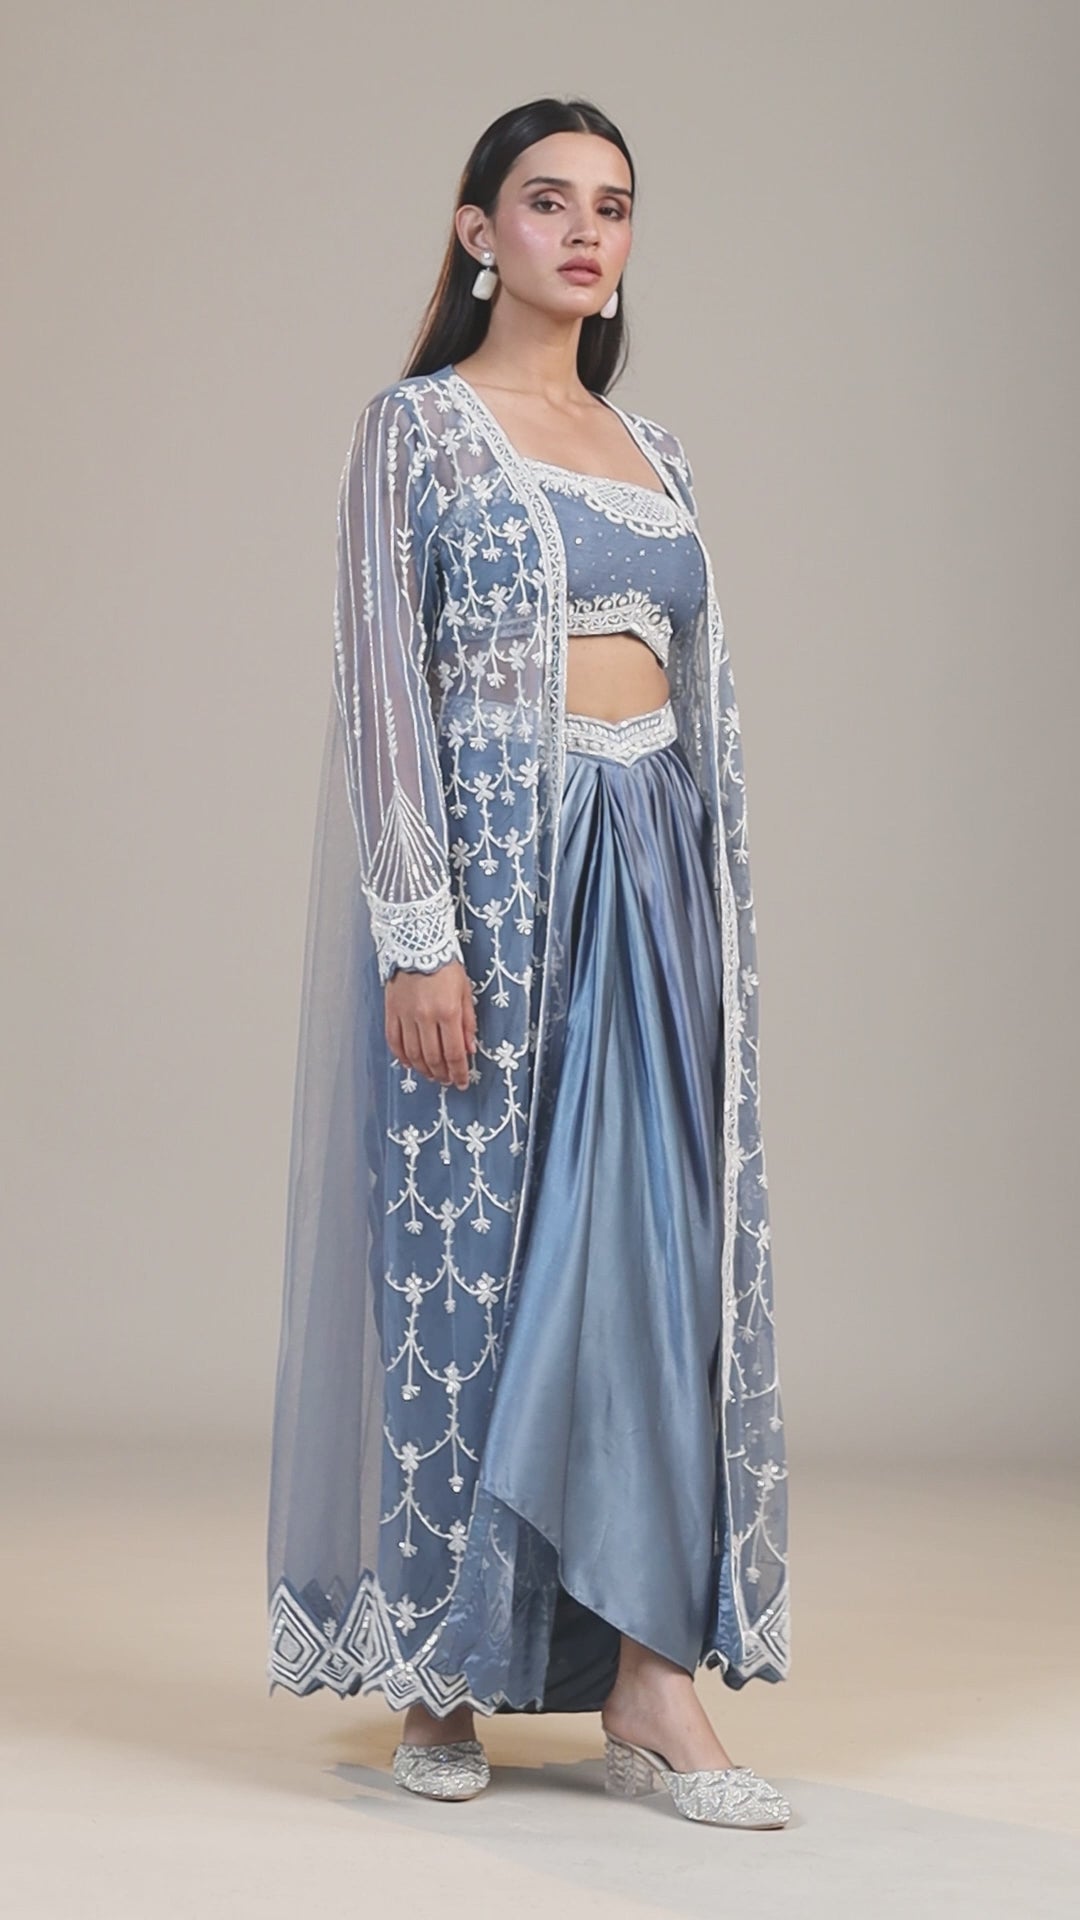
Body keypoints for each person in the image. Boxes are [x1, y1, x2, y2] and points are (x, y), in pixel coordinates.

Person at [266, 95, 791, 1832]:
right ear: (479, 230)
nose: (584, 232)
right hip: (498, 886)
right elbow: (381, 678)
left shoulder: (657, 450)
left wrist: (704, 904)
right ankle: (442, 1660)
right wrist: (418, 931)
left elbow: (699, 695)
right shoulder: (418, 430)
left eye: (612, 207)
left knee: (652, 1264)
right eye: (548, 201)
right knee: (468, 1259)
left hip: (652, 876)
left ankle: (651, 1680)